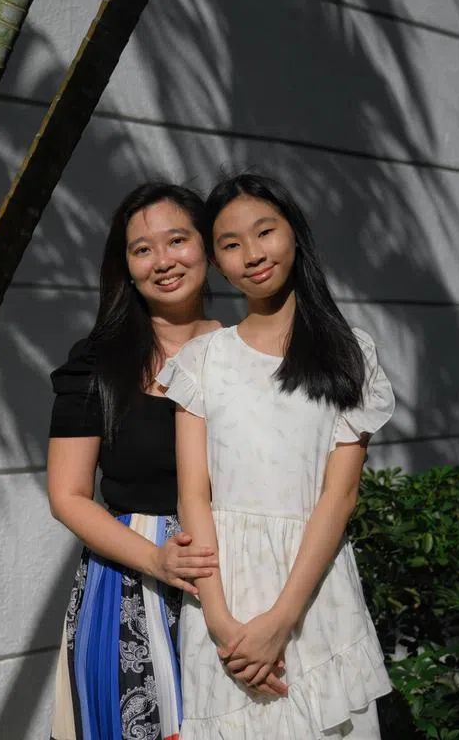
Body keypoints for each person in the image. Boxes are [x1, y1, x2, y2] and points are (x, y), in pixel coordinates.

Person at [159, 173, 395, 739]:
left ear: (294, 233)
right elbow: (195, 494)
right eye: (231, 244)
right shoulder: (201, 361)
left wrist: (282, 621)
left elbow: (338, 498)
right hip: (224, 596)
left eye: (264, 232)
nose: (252, 254)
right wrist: (221, 623)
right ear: (216, 262)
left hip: (315, 595)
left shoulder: (349, 352)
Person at [47, 182, 224, 740]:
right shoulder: (96, 364)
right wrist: (158, 562)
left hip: (238, 569)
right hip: (128, 584)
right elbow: (68, 496)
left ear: (209, 248)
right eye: (142, 249)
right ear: (125, 267)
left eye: (177, 240)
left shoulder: (250, 355)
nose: (163, 261)